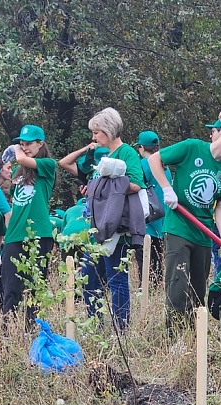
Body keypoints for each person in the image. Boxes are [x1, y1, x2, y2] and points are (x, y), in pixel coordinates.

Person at [148, 116, 221, 333]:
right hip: (178, 226)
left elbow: (219, 208)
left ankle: (193, 337)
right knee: (178, 284)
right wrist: (167, 188)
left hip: (203, 233)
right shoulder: (192, 148)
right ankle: (175, 337)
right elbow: (155, 160)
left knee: (198, 290)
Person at [81, 107, 144, 331]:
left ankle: (121, 329)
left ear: (108, 130)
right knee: (88, 276)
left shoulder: (126, 153)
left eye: (96, 132)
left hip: (116, 228)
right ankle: (95, 326)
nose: (93, 137)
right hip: (98, 226)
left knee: (116, 278)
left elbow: (136, 183)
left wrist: (107, 188)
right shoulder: (106, 157)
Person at [0, 124, 58, 328]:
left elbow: (23, 159)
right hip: (15, 234)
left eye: (28, 143)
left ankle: (32, 330)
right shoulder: (18, 171)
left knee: (35, 289)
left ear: (40, 144)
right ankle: (7, 335)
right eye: (21, 143)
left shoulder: (48, 164)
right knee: (11, 289)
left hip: (39, 234)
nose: (24, 147)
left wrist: (15, 151)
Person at [137, 130, 166, 285]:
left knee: (145, 256)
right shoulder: (164, 164)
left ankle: (146, 286)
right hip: (163, 218)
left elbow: (137, 186)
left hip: (148, 216)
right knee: (157, 256)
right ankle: (156, 284)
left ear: (141, 147)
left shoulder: (143, 164)